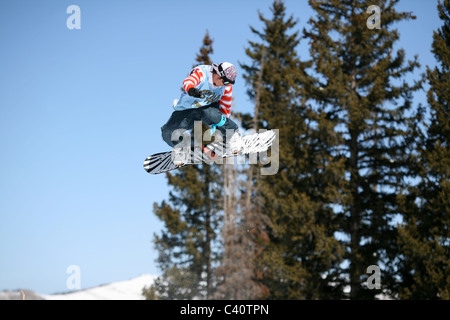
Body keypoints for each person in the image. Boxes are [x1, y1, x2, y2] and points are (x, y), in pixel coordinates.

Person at [161, 62, 243, 165]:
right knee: (167, 133)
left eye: (228, 83)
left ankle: (233, 137)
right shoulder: (202, 72)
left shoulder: (226, 87)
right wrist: (191, 89)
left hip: (208, 109)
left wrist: (226, 129)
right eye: (225, 82)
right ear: (218, 74)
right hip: (187, 110)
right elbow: (189, 81)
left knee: (210, 113)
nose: (226, 85)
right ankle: (180, 149)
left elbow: (225, 107)